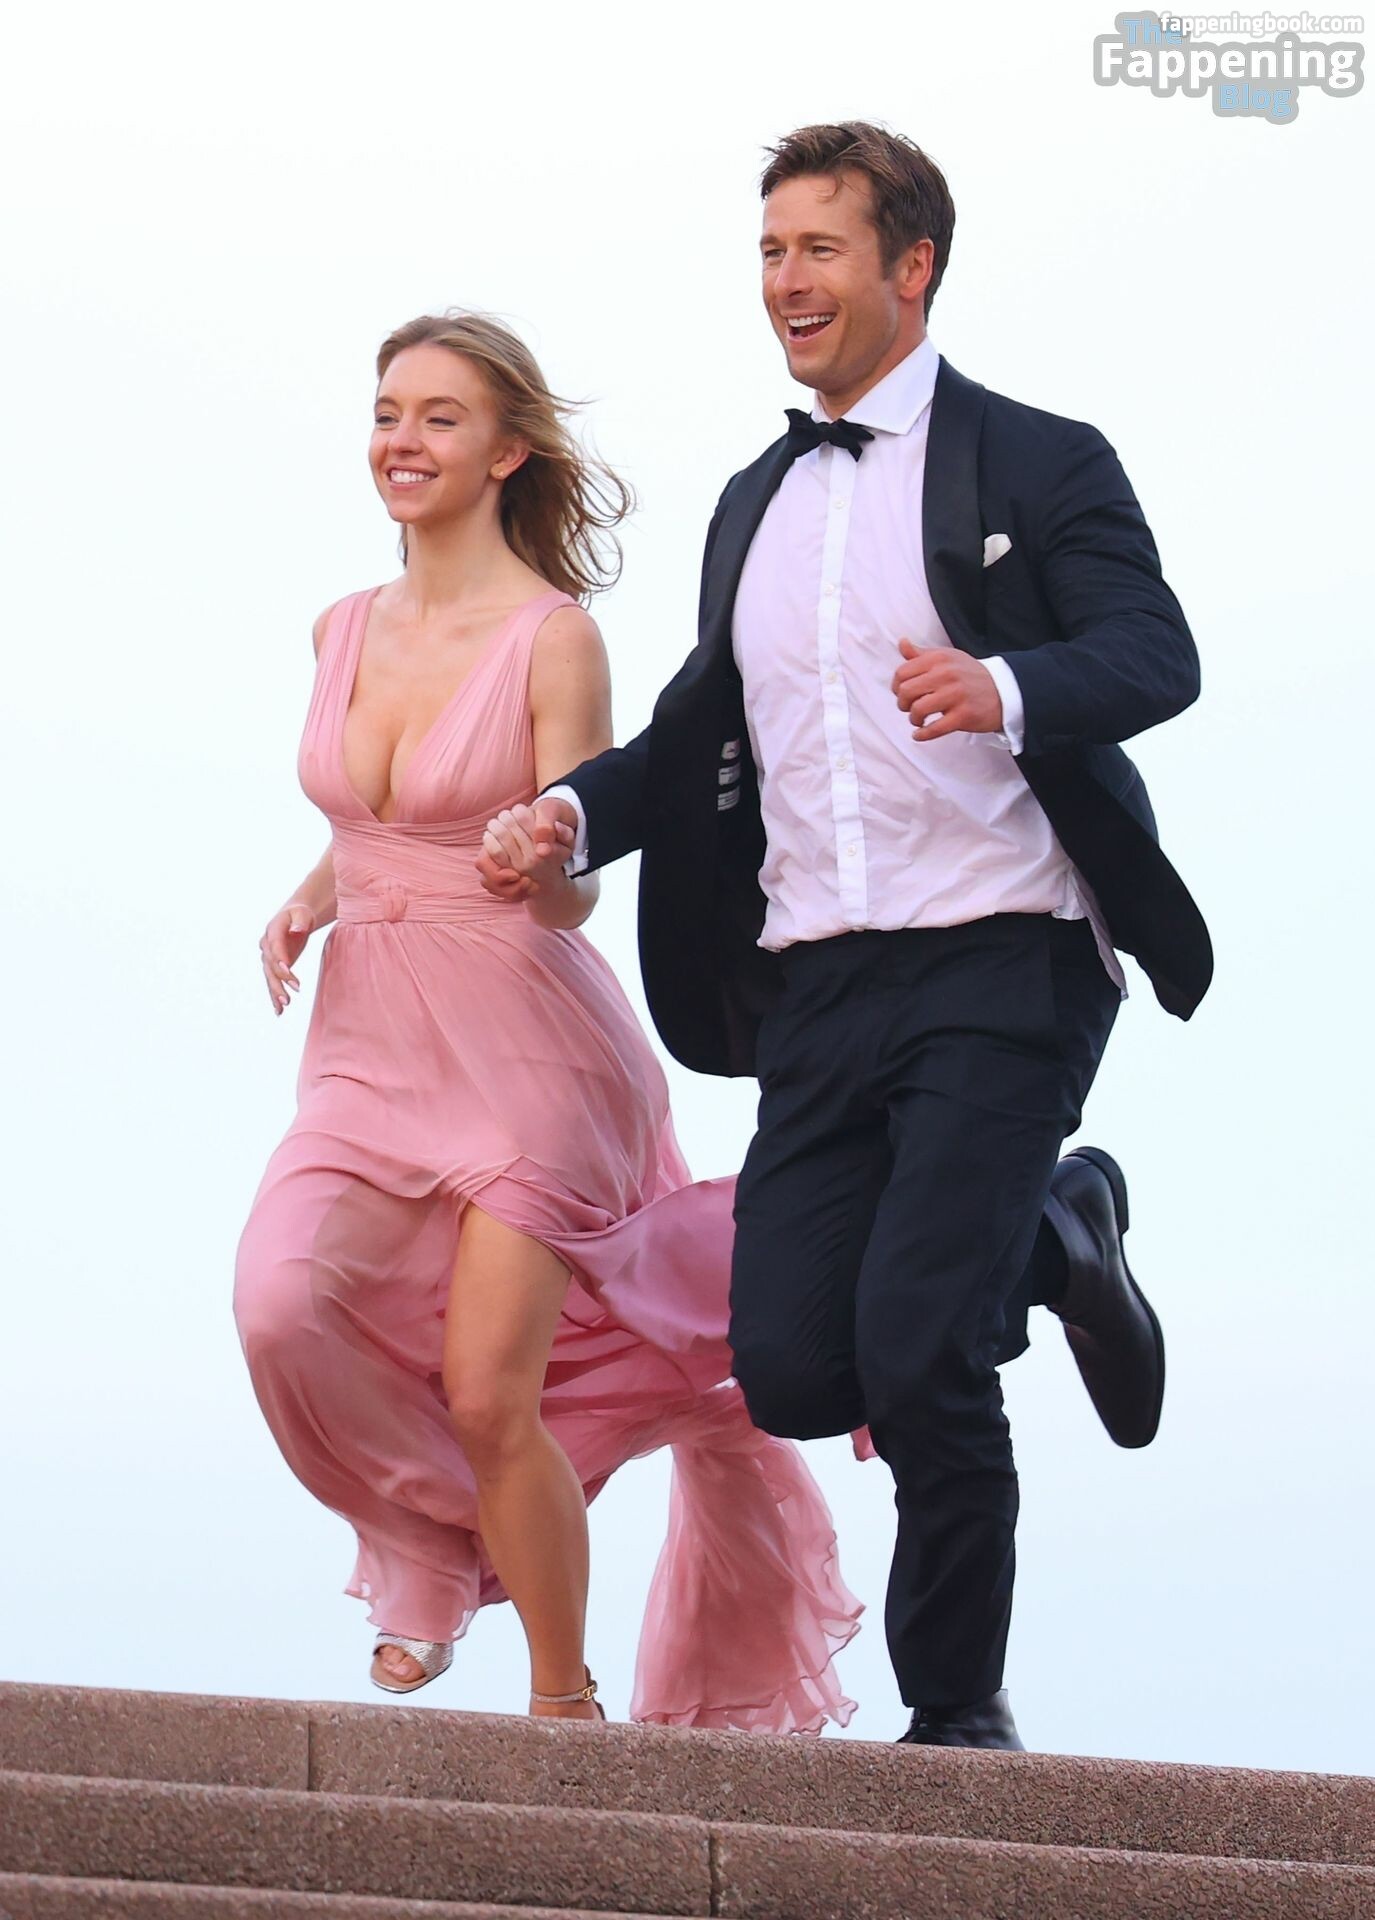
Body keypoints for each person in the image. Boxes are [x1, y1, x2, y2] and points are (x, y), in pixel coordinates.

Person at [481, 122, 1209, 1751]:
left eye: (818, 248)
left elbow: (1155, 653)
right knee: (801, 1368)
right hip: (818, 981)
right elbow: (698, 732)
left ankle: (956, 1714)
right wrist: (573, 816)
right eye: (769, 252)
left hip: (1004, 954)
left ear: (912, 267)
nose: (785, 281)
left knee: (923, 1346)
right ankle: (1059, 1237)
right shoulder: (757, 503)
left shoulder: (1039, 460)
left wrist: (1003, 687)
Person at [232, 310, 861, 1731]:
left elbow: (575, 880)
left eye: (439, 416)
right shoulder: (340, 627)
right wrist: (312, 896)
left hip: (530, 1058)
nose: (401, 440)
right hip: (369, 1052)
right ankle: (424, 1545)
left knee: (486, 1393)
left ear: (508, 450)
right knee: (280, 1303)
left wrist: (544, 860)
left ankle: (561, 1708)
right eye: (388, 412)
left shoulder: (552, 640)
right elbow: (376, 820)